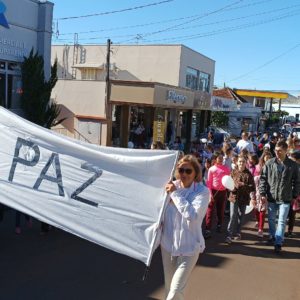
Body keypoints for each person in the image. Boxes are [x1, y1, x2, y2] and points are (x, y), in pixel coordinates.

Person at [161, 155, 209, 300]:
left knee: (175, 290)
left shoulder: (202, 191)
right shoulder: (170, 185)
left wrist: (174, 194)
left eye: (188, 171)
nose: (184, 174)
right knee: (169, 288)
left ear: (195, 173)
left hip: (189, 247)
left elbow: (192, 215)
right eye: (181, 170)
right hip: (168, 246)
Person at [259, 141, 300, 253]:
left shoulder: (293, 165)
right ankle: (272, 236)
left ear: (286, 150)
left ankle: (278, 242)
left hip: (285, 198)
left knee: (281, 221)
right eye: (275, 150)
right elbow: (263, 179)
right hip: (271, 196)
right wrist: (262, 194)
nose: (276, 152)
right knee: (271, 220)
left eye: (279, 150)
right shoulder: (269, 163)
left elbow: (297, 182)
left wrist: (295, 195)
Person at [226, 155, 256, 243]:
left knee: (241, 216)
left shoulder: (249, 174)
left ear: (245, 163)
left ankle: (238, 232)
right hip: (234, 197)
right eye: (239, 161)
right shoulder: (233, 172)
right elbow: (228, 184)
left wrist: (244, 185)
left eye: (243, 162)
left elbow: (252, 187)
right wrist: (233, 187)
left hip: (244, 197)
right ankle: (229, 235)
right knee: (233, 215)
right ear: (237, 162)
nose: (241, 163)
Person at [204, 152, 230, 238]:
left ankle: (219, 225)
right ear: (215, 159)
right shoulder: (211, 169)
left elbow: (228, 180)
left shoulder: (226, 169)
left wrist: (227, 191)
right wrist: (210, 193)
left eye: (222, 158)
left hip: (222, 192)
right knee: (210, 210)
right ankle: (208, 228)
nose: (221, 160)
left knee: (220, 209)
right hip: (213, 191)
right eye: (219, 158)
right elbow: (209, 182)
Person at [285, 150, 300, 237]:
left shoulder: (296, 168)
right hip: (291, 193)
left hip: (295, 194)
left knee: (292, 213)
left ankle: (290, 231)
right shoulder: (291, 167)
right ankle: (289, 230)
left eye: (293, 159)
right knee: (291, 213)